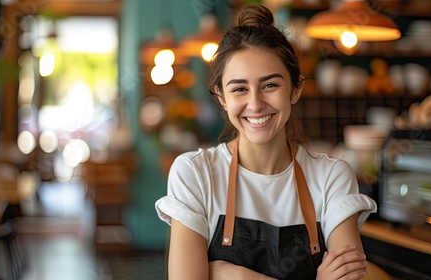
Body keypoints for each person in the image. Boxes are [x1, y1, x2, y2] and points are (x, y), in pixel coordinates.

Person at [155, 4, 377, 280]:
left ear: (296, 89)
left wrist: (237, 276)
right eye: (239, 89)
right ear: (222, 98)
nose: (256, 104)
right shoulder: (195, 174)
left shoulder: (332, 177)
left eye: (270, 85)